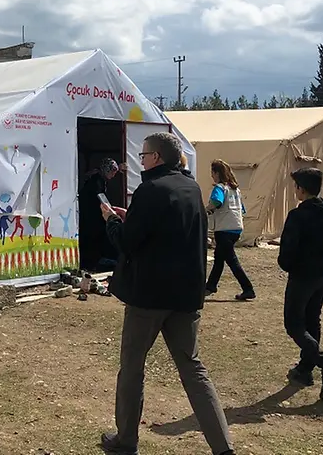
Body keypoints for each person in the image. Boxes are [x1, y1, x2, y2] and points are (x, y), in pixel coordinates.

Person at [99, 132, 235, 455]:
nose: (140, 160)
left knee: (132, 367)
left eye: (143, 155)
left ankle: (126, 441)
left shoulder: (149, 190)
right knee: (193, 370)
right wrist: (129, 218)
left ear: (157, 158)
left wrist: (110, 221)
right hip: (185, 297)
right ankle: (224, 448)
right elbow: (169, 231)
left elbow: (127, 243)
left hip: (149, 296)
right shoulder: (192, 188)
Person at [279, 167, 323, 400]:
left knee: (294, 324)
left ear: (301, 188)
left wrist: (292, 263)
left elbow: (287, 251)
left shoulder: (298, 215)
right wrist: (322, 254)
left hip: (302, 275)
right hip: (322, 273)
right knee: (312, 320)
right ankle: (305, 369)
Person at [205, 159, 256, 301]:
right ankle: (210, 286)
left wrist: (206, 210)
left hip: (224, 228)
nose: (211, 176)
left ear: (216, 173)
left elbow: (216, 202)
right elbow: (242, 209)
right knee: (219, 258)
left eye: (212, 172)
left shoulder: (219, 188)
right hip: (236, 227)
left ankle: (248, 288)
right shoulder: (235, 190)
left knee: (231, 261)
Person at [77, 157, 125, 271]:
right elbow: (99, 196)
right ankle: (94, 261)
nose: (113, 176)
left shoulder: (97, 177)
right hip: (91, 214)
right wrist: (108, 207)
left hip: (90, 212)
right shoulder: (96, 179)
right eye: (113, 172)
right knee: (95, 236)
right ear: (107, 170)